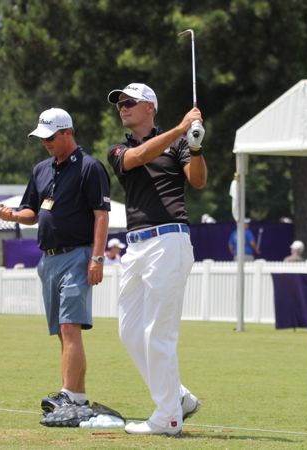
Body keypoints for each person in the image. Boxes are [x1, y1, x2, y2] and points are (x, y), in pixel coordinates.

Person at [106, 82, 205, 436]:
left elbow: (197, 180)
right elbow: (138, 158)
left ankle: (168, 418)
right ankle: (178, 398)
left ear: (150, 107)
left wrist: (195, 145)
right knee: (130, 331)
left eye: (130, 102)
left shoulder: (179, 144)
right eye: (120, 103)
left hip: (169, 240)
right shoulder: (118, 150)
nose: (123, 107)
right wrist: (180, 129)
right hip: (135, 246)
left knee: (157, 333)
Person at [0, 107, 110, 414]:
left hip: (78, 256)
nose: (45, 142)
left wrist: (97, 258)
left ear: (68, 132)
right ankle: (77, 395)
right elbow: (32, 212)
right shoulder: (41, 170)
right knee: (62, 331)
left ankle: (68, 394)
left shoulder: (90, 167)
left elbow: (101, 216)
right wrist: (12, 216)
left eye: (50, 137)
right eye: (42, 137)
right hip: (48, 260)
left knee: (70, 327)